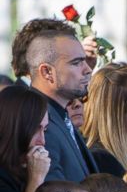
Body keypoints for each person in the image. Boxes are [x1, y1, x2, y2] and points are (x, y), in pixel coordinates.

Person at [11, 18, 97, 182]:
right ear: (47, 72)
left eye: (85, 61)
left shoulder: (60, 116)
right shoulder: (38, 123)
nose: (87, 70)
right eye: (77, 62)